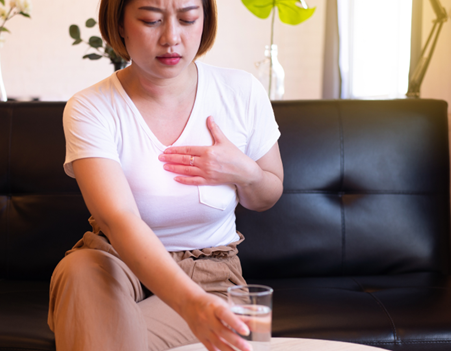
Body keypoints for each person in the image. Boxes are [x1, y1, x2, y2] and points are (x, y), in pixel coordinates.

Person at [47, 0, 283, 350]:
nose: (171, 37)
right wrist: (191, 305)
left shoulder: (241, 92)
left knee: (103, 337)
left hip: (211, 274)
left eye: (188, 19)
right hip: (114, 262)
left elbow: (268, 194)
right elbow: (118, 220)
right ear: (121, 23)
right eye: (151, 20)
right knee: (78, 271)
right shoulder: (91, 107)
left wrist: (244, 173)